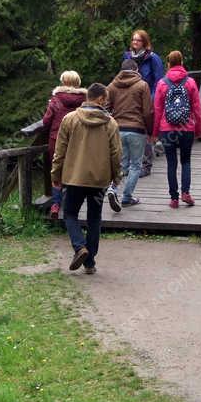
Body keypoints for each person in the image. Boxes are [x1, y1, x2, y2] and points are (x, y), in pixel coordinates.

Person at [52, 83, 122, 274]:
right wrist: (116, 176)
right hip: (99, 179)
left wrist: (55, 174)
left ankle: (79, 247)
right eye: (105, 99)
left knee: (70, 214)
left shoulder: (69, 119)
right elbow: (116, 153)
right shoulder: (110, 123)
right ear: (99, 99)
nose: (106, 103)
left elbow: (60, 151)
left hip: (73, 177)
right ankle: (89, 262)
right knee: (94, 218)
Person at [151, 50, 201, 209]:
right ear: (181, 62)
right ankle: (185, 193)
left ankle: (174, 198)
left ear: (168, 63)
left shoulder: (162, 83)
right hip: (186, 128)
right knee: (186, 161)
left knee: (171, 163)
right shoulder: (190, 82)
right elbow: (197, 108)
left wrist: (155, 132)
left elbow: (158, 109)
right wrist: (198, 128)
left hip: (167, 130)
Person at [105, 59, 153, 209]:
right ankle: (126, 197)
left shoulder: (112, 86)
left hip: (118, 129)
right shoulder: (142, 85)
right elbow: (147, 111)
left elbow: (105, 108)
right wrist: (150, 131)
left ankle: (113, 188)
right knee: (136, 165)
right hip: (137, 129)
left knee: (121, 165)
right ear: (136, 69)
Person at [40, 71, 87, 219]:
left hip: (57, 139)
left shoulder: (56, 100)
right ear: (77, 83)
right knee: (75, 170)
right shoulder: (85, 100)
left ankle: (55, 204)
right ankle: (71, 204)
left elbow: (46, 121)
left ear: (63, 83)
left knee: (57, 171)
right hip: (79, 141)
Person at [122, 29, 164, 176]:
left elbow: (159, 81)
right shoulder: (127, 56)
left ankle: (145, 165)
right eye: (133, 39)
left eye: (138, 40)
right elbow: (123, 77)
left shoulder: (153, 58)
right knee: (128, 129)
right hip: (129, 99)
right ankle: (126, 166)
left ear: (144, 42)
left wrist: (151, 99)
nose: (135, 42)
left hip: (147, 98)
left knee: (145, 131)